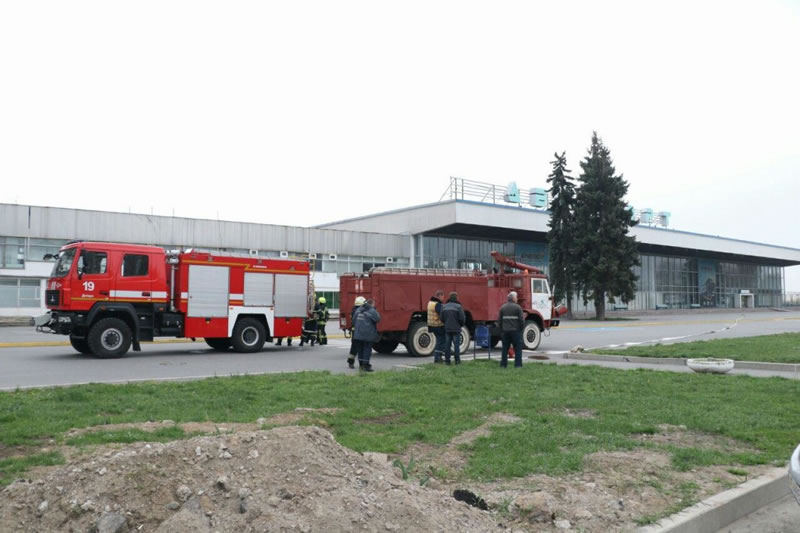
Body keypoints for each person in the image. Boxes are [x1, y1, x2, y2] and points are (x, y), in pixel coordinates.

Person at [353, 298, 380, 372]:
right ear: (372, 304)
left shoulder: (358, 310)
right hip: (368, 335)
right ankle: (366, 365)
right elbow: (378, 319)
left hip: (358, 334)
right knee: (367, 350)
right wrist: (375, 310)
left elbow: (353, 320)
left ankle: (361, 365)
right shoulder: (372, 311)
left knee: (360, 350)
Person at [498, 291, 524, 368]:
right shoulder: (518, 307)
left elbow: (499, 321)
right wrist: (520, 329)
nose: (517, 299)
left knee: (505, 349)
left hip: (505, 331)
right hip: (515, 331)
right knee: (518, 348)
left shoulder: (502, 307)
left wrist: (502, 329)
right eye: (516, 297)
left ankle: (503, 365)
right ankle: (518, 365)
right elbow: (521, 321)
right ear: (513, 298)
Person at [440, 291, 466, 365]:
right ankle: (457, 361)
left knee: (447, 346)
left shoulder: (444, 306)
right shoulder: (458, 307)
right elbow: (462, 318)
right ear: (456, 297)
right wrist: (460, 325)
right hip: (456, 329)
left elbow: (441, 318)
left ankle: (447, 361)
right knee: (456, 346)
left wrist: (446, 323)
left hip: (447, 328)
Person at [347, 296, 366, 369]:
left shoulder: (354, 310)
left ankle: (350, 362)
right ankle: (361, 364)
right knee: (361, 347)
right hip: (359, 331)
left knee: (354, 347)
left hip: (354, 331)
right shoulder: (360, 310)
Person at [427, 290, 446, 363]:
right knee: (440, 342)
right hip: (438, 325)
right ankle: (437, 358)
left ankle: (438, 358)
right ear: (440, 296)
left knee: (439, 341)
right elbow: (442, 314)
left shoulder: (430, 303)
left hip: (431, 325)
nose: (443, 298)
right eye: (443, 296)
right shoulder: (437, 304)